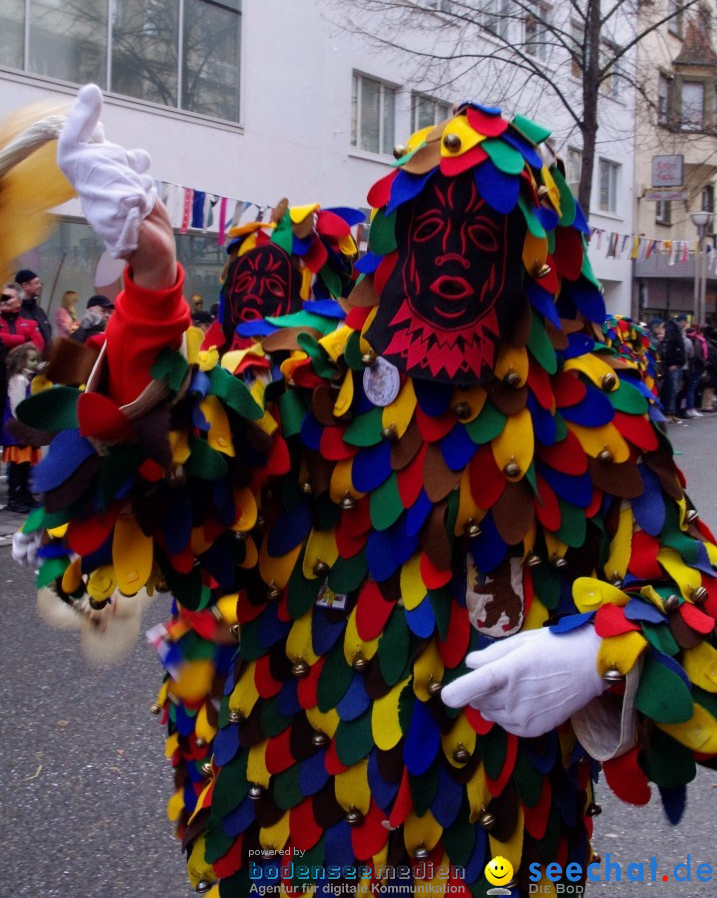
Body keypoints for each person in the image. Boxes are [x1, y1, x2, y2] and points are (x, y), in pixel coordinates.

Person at [20, 87, 717, 897]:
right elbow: (170, 461)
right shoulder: (306, 381)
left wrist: (605, 655)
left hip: (498, 839)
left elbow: (689, 584)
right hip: (296, 826)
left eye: (479, 235)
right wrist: (151, 286)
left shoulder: (593, 413)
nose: (450, 258)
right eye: (428, 232)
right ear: (392, 247)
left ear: (529, 256)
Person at [1, 341, 41, 512]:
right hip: (18, 431)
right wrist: (23, 429)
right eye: (31, 360)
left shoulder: (27, 378)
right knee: (18, 466)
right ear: (21, 361)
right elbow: (17, 407)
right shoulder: (18, 379)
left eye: (35, 360)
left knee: (25, 465)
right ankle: (16, 498)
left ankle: (25, 495)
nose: (34, 363)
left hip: (24, 430)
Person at [0, 282, 44, 352]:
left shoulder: (30, 325)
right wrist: (22, 339)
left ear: (19, 302)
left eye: (9, 297)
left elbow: (39, 344)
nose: (4, 300)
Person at [14, 268, 52, 347]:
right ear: (25, 286)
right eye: (36, 283)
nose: (40, 286)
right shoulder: (15, 311)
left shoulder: (40, 311)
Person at [660, 314, 685, 421]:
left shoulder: (675, 330)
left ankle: (672, 412)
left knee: (674, 390)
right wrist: (671, 363)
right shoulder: (673, 330)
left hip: (677, 364)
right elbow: (669, 348)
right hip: (674, 365)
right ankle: (669, 412)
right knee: (672, 390)